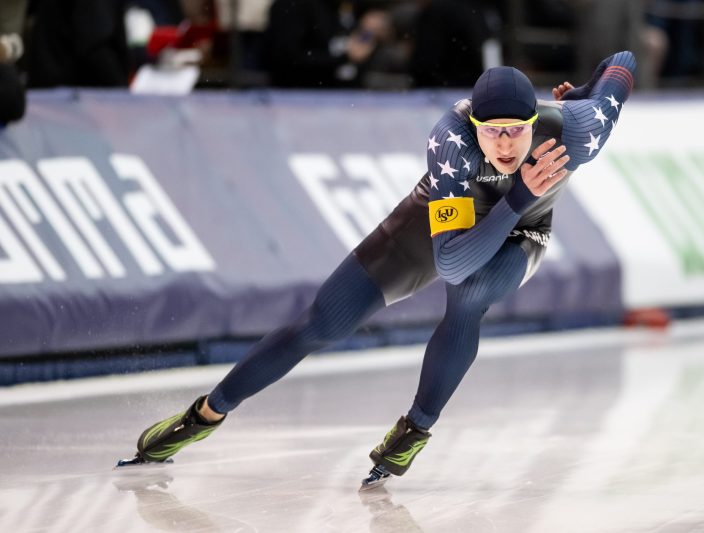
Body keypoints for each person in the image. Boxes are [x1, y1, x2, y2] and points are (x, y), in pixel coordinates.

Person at [127, 50, 637, 489]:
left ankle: (414, 429)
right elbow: (451, 260)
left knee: (473, 295)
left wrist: (586, 92)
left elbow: (624, 63)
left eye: (517, 132)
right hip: (441, 226)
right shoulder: (452, 141)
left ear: (534, 123)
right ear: (474, 127)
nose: (505, 145)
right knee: (321, 323)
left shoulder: (578, 130)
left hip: (522, 231)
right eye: (493, 133)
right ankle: (204, 415)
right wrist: (518, 194)